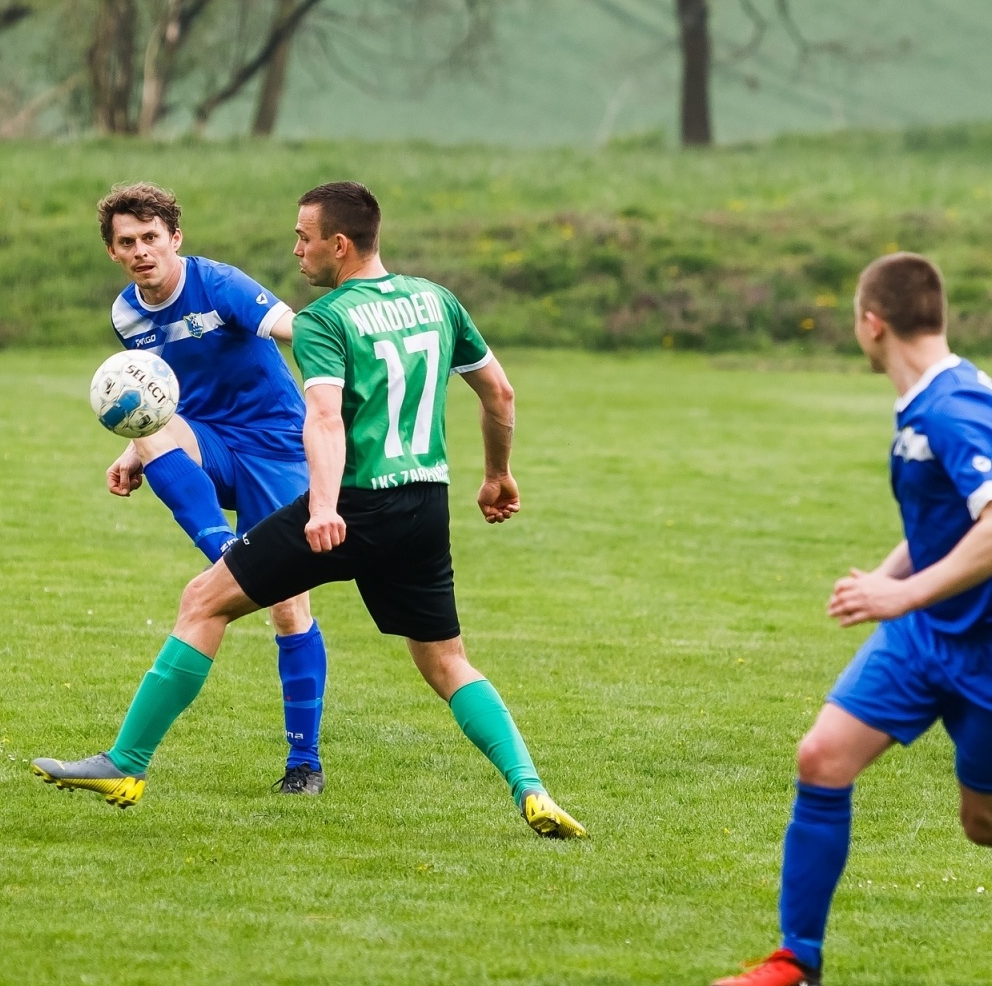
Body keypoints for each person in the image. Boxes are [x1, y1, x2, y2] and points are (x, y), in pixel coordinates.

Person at [34, 180, 586, 839]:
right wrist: (497, 475)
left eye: (304, 237)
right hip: (425, 503)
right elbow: (500, 392)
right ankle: (532, 788)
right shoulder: (437, 299)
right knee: (446, 660)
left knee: (205, 601)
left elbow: (322, 416)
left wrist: (323, 506)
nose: (296, 250)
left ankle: (126, 763)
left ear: (339, 244)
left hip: (351, 501)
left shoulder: (325, 319)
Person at [708, 253, 992, 986]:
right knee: (822, 758)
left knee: (988, 822)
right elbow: (950, 524)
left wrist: (896, 597)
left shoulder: (955, 408)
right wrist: (889, 578)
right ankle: (797, 959)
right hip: (929, 635)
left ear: (872, 323)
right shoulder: (929, 400)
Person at [33, 182, 329, 801]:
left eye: (150, 238)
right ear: (113, 252)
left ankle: (305, 762)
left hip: (279, 448)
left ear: (175, 239)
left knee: (288, 608)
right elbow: (163, 393)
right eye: (126, 242)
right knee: (142, 423)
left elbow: (288, 325)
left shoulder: (218, 283)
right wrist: (133, 443)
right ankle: (223, 547)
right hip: (215, 443)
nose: (141, 251)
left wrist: (343, 368)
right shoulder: (126, 315)